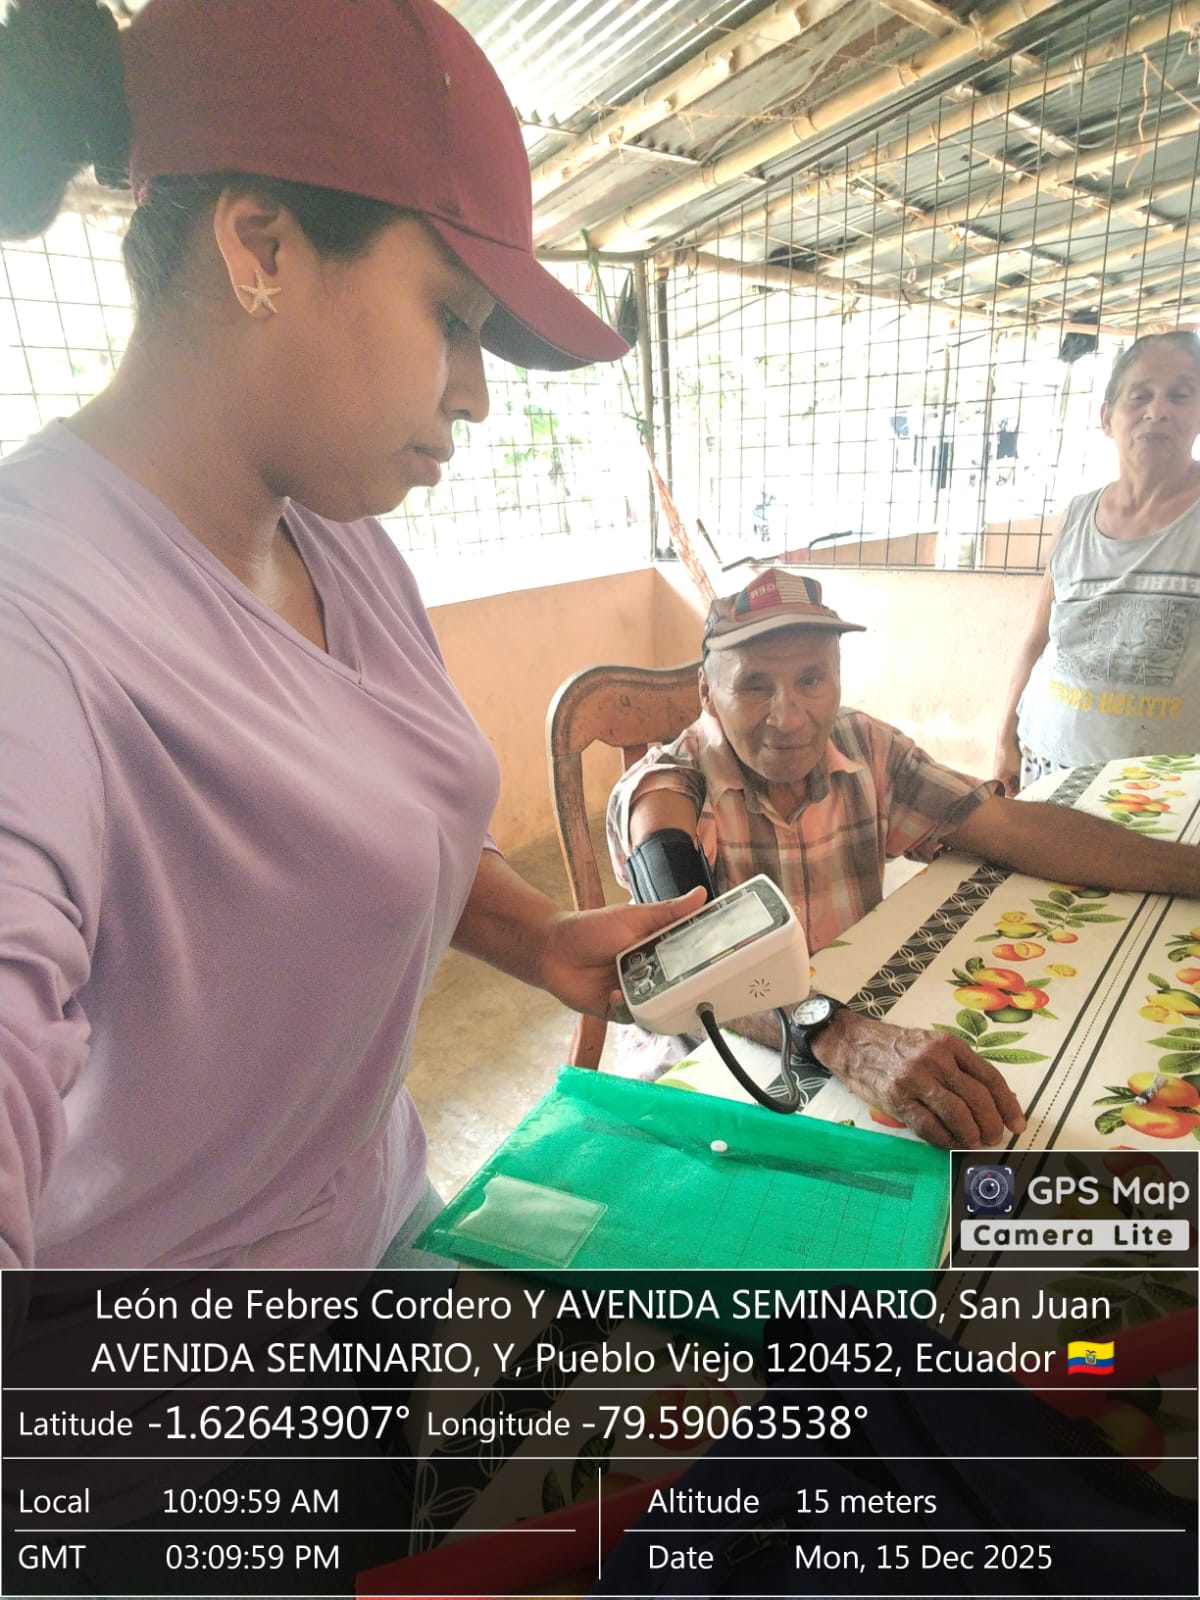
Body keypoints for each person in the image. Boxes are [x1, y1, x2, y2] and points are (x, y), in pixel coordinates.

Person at [0, 0, 703, 1271]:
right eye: (453, 319)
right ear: (260, 244)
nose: (477, 397)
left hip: (387, 1231)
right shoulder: (34, 622)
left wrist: (540, 938)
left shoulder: (342, 545)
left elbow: (387, 817)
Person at [606, 568, 1200, 1148]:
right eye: (755, 686)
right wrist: (843, 1037)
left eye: (812, 679)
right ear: (707, 692)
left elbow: (1012, 828)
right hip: (706, 1066)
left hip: (852, 1015)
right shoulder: (667, 790)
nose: (789, 717)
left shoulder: (865, 747)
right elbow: (695, 960)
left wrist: (1189, 870)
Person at [995, 330, 1200, 794]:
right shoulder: (1076, 516)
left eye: (1180, 395)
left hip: (1161, 790)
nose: (1158, 410)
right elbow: (1038, 639)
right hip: (1045, 764)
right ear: (1108, 418)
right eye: (1140, 395)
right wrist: (1005, 736)